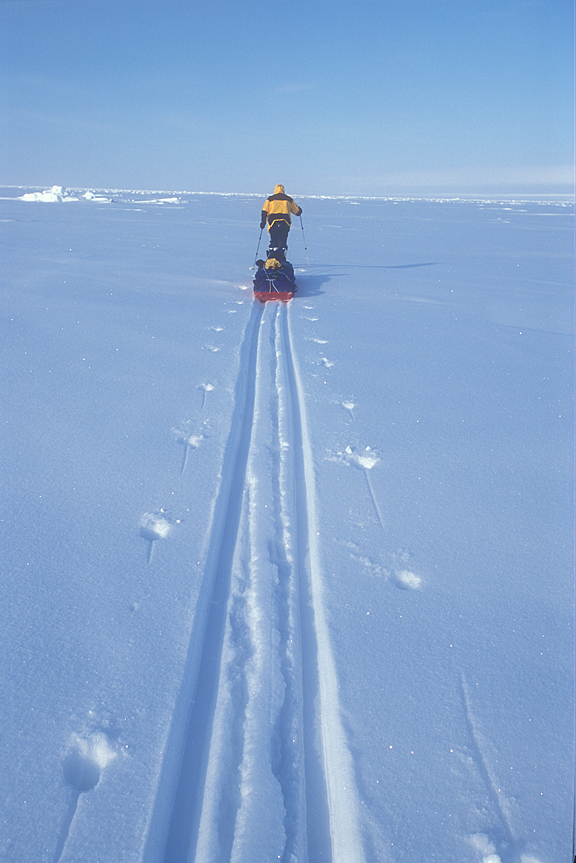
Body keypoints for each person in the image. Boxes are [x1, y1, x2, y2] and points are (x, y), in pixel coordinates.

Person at [260, 184, 302, 251]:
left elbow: (264, 211)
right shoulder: (289, 199)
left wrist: (263, 222)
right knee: (283, 240)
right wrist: (299, 210)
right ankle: (282, 254)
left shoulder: (270, 199)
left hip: (273, 222)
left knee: (274, 239)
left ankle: (272, 254)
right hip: (285, 222)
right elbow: (297, 212)